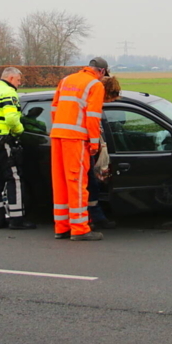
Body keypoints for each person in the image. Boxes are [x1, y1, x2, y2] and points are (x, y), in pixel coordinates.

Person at [50, 57, 109, 241]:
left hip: (58, 136)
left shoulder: (66, 80)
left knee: (60, 183)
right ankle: (79, 228)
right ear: (102, 71)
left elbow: (54, 108)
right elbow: (92, 117)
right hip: (76, 140)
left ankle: (61, 227)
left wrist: (60, 129)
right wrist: (93, 143)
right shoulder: (95, 85)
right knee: (77, 183)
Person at [0, 67, 36, 230]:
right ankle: (17, 219)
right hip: (2, 140)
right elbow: (11, 118)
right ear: (10, 78)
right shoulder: (8, 93)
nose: (19, 83)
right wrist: (20, 131)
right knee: (14, 178)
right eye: (18, 80)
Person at [88, 73, 121, 230]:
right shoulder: (92, 105)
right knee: (90, 186)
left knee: (91, 186)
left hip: (84, 150)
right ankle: (94, 218)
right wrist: (95, 146)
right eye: (111, 100)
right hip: (84, 151)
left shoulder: (92, 103)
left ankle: (94, 217)